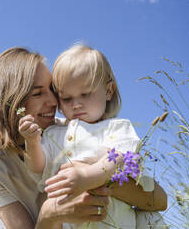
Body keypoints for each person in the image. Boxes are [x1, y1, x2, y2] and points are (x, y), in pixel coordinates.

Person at [0, 47, 167, 229]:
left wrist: (90, 174)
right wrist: (50, 215)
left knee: (150, 219)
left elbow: (158, 200)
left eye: (53, 90)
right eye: (38, 93)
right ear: (12, 102)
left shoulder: (73, 131)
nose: (53, 101)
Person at [19, 44, 167, 228]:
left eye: (85, 94)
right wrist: (32, 142)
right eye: (66, 98)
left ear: (109, 91)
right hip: (70, 223)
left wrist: (87, 176)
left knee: (151, 220)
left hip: (114, 222)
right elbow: (38, 167)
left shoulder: (116, 128)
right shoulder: (53, 134)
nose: (76, 104)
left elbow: (121, 158)